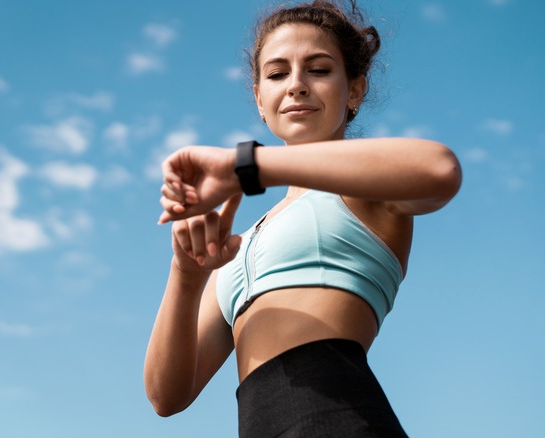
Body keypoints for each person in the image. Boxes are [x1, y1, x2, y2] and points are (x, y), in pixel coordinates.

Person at [144, 1, 462, 436]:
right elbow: (167, 396)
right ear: (259, 98)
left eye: (318, 69)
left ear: (354, 90)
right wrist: (186, 274)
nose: (296, 85)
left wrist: (247, 166)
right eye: (276, 74)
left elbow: (440, 170)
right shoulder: (238, 246)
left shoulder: (365, 188)